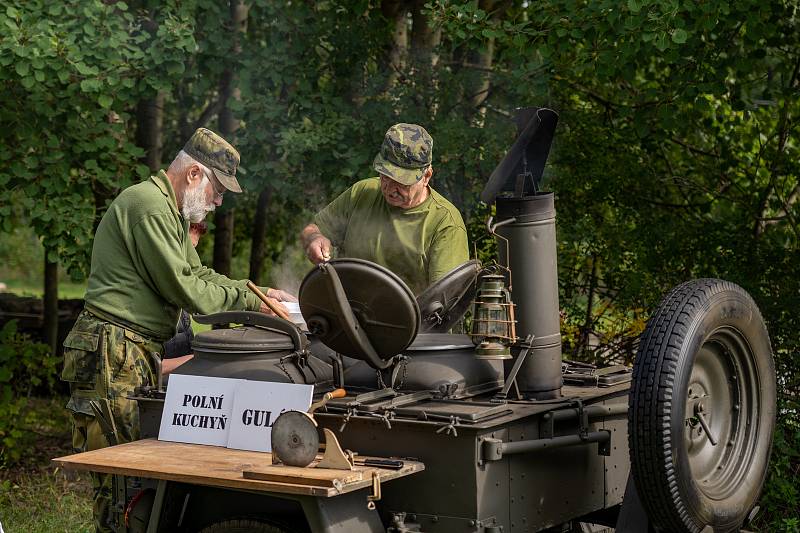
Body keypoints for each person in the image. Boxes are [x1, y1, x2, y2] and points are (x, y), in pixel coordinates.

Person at [60, 128, 292, 532]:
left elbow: (197, 272)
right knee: (123, 481)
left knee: (136, 478)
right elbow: (187, 290)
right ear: (193, 175)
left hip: (130, 349)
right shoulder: (149, 206)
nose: (218, 203)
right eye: (217, 191)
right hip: (113, 348)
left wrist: (256, 291)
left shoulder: (167, 210)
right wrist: (253, 304)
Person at [301, 123, 469, 294]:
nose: (389, 188)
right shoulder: (362, 193)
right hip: (345, 311)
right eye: (385, 175)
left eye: (402, 181)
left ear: (426, 176)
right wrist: (314, 238)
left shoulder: (445, 224)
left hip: (410, 319)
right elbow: (312, 230)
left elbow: (446, 300)